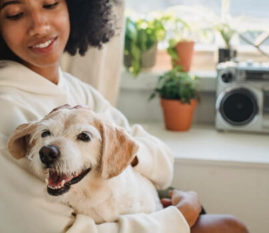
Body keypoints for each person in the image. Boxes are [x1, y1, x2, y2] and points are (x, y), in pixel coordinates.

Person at [0, 0, 249, 233]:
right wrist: (180, 216)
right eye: (15, 14)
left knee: (231, 226)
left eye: (50, 4)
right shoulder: (6, 110)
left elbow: (162, 165)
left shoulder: (78, 90)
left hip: (141, 210)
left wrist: (116, 151)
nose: (40, 25)